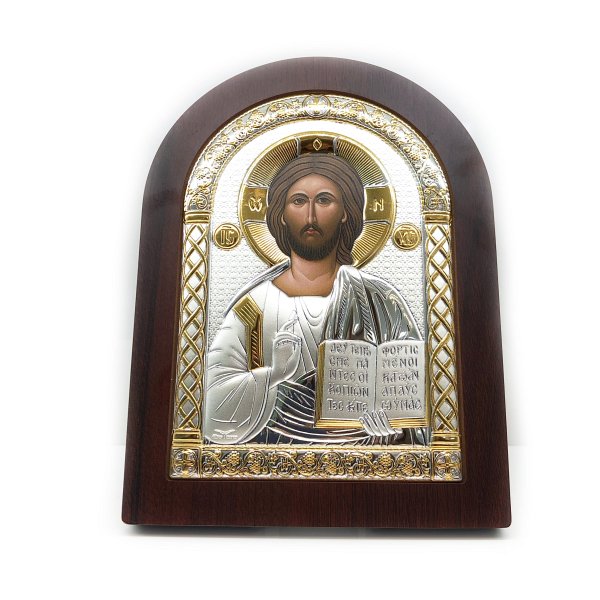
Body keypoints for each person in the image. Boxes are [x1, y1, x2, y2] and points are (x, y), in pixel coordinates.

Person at [203, 152, 425, 445]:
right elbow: (211, 409)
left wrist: (393, 423)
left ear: (345, 211)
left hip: (363, 460)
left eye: (324, 200)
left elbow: (415, 404)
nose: (310, 216)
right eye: (298, 201)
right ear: (281, 214)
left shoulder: (381, 301)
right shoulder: (253, 308)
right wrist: (274, 375)